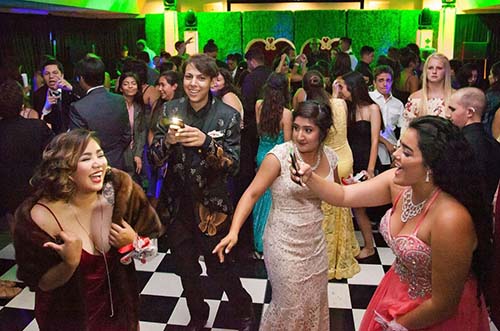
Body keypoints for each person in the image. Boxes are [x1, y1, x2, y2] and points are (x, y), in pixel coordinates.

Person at [294, 115, 491, 331]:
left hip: (433, 315)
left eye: (406, 152)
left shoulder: (451, 219)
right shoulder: (398, 184)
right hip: (395, 292)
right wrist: (310, 177)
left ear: (432, 166)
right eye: (398, 147)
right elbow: (342, 196)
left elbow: (444, 304)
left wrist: (396, 326)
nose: (395, 155)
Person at [13, 129, 162, 331]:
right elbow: (41, 283)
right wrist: (69, 263)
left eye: (100, 155)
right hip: (66, 321)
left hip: (120, 316)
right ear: (65, 169)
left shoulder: (119, 190)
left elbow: (151, 249)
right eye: (86, 158)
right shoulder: (37, 216)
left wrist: (133, 242)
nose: (98, 163)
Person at [149, 54, 253, 331]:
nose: (193, 83)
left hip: (212, 208)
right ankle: (198, 312)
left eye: (201, 78)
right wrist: (168, 142)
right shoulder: (170, 109)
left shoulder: (227, 116)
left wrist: (207, 143)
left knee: (221, 265)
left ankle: (243, 307)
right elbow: (154, 158)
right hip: (177, 204)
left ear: (212, 81)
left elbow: (233, 166)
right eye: (188, 77)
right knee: (185, 267)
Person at [213, 100, 335, 330]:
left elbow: (335, 194)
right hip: (282, 243)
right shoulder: (279, 156)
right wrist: (234, 231)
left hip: (315, 244)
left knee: (312, 302)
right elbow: (251, 194)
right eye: (297, 128)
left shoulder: (330, 158)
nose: (299, 135)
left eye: (308, 130)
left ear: (323, 132)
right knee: (290, 304)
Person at [336, 71, 383, 259]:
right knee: (348, 205)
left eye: (344, 87)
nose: (343, 91)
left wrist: (370, 169)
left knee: (359, 207)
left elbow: (374, 141)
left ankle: (369, 246)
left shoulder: (373, 108)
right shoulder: (347, 108)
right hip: (348, 160)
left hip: (365, 160)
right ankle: (348, 244)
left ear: (353, 88)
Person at [252, 72, 292, 258]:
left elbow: (260, 131)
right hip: (277, 157)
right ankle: (269, 241)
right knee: (273, 199)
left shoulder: (259, 106)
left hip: (261, 154)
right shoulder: (286, 113)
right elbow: (288, 143)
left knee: (259, 195)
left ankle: (257, 242)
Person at [69, 55, 131, 170]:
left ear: (81, 79)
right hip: (118, 161)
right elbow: (127, 135)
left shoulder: (78, 107)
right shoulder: (119, 100)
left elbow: (79, 143)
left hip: (93, 166)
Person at [446, 87, 500, 204]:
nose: (447, 114)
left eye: (452, 109)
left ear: (470, 112)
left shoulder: (460, 145)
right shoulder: (494, 144)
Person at [402, 53, 453, 133]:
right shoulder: (415, 98)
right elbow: (406, 130)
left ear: (446, 71)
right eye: (430, 68)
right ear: (425, 70)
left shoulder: (456, 98)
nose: (434, 71)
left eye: (439, 68)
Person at [369, 65, 404, 172]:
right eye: (381, 80)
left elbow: (403, 129)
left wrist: (397, 147)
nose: (385, 84)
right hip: (370, 149)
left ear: (392, 82)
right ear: (374, 82)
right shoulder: (368, 98)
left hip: (390, 153)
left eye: (388, 80)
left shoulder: (398, 104)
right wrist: (385, 142)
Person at [33, 58, 77, 134]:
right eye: (47, 73)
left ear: (62, 75)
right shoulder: (38, 95)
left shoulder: (72, 90)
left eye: (55, 73)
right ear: (43, 77)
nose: (51, 76)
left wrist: (72, 89)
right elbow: (37, 123)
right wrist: (46, 109)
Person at [118, 72, 146, 183]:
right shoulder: (116, 106)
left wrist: (138, 154)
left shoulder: (139, 107)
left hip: (134, 150)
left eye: (133, 83)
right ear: (120, 88)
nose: (130, 86)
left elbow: (141, 132)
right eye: (126, 84)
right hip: (120, 152)